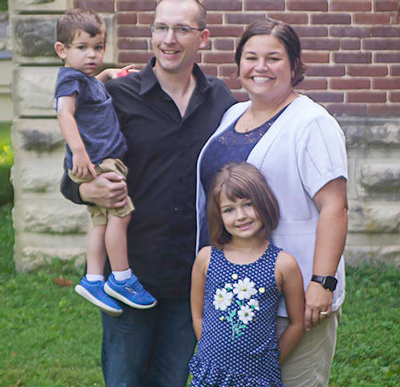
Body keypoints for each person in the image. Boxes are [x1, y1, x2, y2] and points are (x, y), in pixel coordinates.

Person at [60, 1, 236, 386]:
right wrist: (88, 187)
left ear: (203, 38)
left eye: (181, 30)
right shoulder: (116, 95)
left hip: (192, 275)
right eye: (160, 28)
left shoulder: (222, 101)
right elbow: (70, 178)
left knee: (172, 379)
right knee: (125, 380)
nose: (168, 40)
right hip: (129, 273)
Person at [195, 19, 348, 387]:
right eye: (251, 57)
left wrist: (321, 282)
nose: (260, 67)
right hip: (232, 291)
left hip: (291, 299)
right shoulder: (234, 115)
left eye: (273, 58)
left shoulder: (311, 122)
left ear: (294, 66)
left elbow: (335, 206)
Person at [54, 8, 157, 316]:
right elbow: (64, 113)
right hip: (99, 160)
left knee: (101, 221)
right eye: (82, 47)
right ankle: (122, 277)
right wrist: (80, 152)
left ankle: (94, 278)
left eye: (98, 48)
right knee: (121, 215)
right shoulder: (68, 80)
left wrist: (107, 75)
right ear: (62, 50)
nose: (92, 55)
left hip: (101, 159)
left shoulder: (84, 79)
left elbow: (89, 94)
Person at [190, 162, 304, 387]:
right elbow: (198, 314)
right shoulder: (206, 258)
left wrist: (271, 363)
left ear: (264, 203)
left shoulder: (283, 264)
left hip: (258, 378)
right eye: (229, 209)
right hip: (212, 374)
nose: (241, 216)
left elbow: (297, 323)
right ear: (218, 215)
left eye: (248, 205)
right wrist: (211, 352)